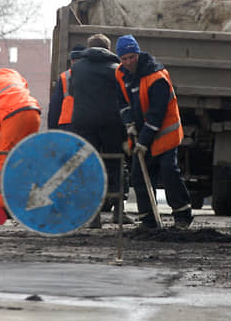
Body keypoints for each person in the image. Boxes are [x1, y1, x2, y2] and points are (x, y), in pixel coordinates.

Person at [114, 34, 192, 230]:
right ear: (120, 59)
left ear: (138, 54)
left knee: (168, 170)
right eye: (124, 58)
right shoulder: (120, 74)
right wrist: (128, 123)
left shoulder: (157, 76)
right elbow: (122, 102)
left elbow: (157, 114)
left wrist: (143, 140)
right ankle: (148, 220)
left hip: (165, 132)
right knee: (139, 174)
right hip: (142, 132)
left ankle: (182, 215)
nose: (129, 62)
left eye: (132, 56)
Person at [69, 34, 130, 227]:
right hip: (112, 123)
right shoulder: (116, 70)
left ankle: (93, 216)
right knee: (116, 164)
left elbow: (71, 93)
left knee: (89, 166)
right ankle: (119, 211)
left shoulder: (76, 68)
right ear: (108, 49)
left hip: (84, 123)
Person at [0, 61, 41, 209]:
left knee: (1, 160)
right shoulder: (12, 74)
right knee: (23, 159)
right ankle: (25, 199)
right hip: (33, 112)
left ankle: (1, 206)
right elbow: (22, 90)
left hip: (13, 116)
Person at [47, 44, 85, 129]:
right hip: (87, 124)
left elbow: (55, 106)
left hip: (67, 124)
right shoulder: (92, 75)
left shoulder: (65, 76)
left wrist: (52, 129)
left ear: (71, 61)